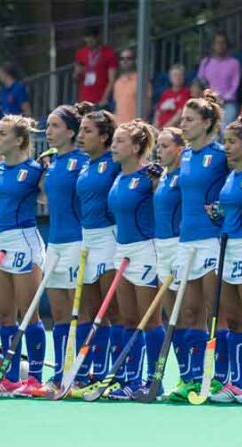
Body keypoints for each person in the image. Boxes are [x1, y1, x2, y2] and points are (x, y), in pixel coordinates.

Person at [167, 90, 229, 401]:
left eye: (189, 119)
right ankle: (190, 378)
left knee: (213, 311)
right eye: (182, 119)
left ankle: (219, 377)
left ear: (206, 123)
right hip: (186, 241)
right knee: (189, 312)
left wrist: (222, 209)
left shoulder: (221, 156)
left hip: (211, 240)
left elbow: (239, 187)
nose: (183, 124)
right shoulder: (186, 156)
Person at [0, 115, 47, 397]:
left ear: (20, 140)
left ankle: (35, 378)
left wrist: (49, 175)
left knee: (29, 313)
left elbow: (47, 198)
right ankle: (10, 378)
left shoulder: (34, 170)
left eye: (2, 133)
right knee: (5, 315)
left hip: (24, 240)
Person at [207, 115, 242, 403]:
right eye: (225, 142)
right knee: (232, 320)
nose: (226, 147)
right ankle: (237, 384)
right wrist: (218, 212)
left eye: (232, 142)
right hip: (227, 247)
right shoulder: (231, 176)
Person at [33, 103, 89, 396]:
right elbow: (46, 199)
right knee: (58, 313)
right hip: (54, 243)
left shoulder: (83, 161)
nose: (48, 131)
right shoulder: (52, 163)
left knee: (78, 311)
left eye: (55, 126)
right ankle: (60, 374)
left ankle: (81, 373)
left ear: (70, 132)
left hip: (77, 242)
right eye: (48, 126)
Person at [106, 120, 162, 400]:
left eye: (120, 141)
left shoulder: (150, 177)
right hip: (122, 250)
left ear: (137, 147)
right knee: (128, 319)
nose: (113, 146)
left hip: (146, 250)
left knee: (150, 320)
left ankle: (155, 380)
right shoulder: (118, 177)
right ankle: (132, 380)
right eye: (113, 141)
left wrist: (161, 180)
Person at [72, 108, 122, 397]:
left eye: (88, 131)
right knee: (90, 311)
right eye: (80, 130)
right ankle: (93, 372)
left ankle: (115, 374)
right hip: (87, 239)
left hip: (109, 238)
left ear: (104, 137)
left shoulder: (113, 162)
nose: (81, 136)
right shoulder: (84, 165)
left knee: (112, 311)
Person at [152, 127, 184, 385]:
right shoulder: (162, 176)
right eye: (158, 146)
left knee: (187, 317)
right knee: (172, 318)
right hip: (161, 248)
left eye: (165, 146)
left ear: (180, 150)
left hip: (179, 246)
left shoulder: (185, 176)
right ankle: (184, 376)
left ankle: (196, 376)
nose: (159, 151)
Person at [198, 32, 242, 130]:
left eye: (223, 43)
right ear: (213, 45)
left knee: (224, 128)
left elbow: (235, 85)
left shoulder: (234, 63)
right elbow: (200, 83)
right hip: (208, 102)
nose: (220, 46)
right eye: (218, 43)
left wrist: (223, 99)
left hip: (228, 103)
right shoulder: (205, 62)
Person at [74, 27, 118, 108]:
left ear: (97, 38)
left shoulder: (109, 53)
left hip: (100, 99)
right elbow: (76, 78)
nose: (89, 44)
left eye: (91, 41)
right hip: (84, 99)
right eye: (87, 42)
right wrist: (77, 74)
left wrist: (104, 98)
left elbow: (112, 79)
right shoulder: (81, 53)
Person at [113, 49, 149, 125]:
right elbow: (117, 107)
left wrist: (140, 125)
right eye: (122, 58)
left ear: (134, 60)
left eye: (128, 58)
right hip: (119, 126)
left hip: (135, 126)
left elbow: (147, 106)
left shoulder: (141, 81)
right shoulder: (117, 83)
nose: (125, 61)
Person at [154, 64, 190, 129]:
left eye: (180, 75)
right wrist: (155, 127)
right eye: (175, 75)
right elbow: (158, 112)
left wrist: (164, 129)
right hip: (160, 129)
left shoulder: (186, 92)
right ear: (170, 78)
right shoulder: (165, 93)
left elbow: (180, 114)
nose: (178, 78)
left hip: (173, 129)